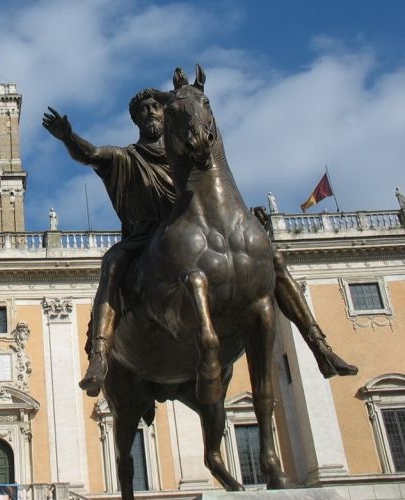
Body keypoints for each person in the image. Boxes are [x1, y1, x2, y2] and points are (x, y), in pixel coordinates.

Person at [43, 89, 356, 397]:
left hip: (195, 234)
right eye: (143, 111)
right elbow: (91, 155)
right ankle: (99, 356)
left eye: (156, 108)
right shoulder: (127, 157)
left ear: (167, 115)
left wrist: (245, 217)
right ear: (136, 121)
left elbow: (218, 197)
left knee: (272, 258)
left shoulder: (188, 155)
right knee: (112, 263)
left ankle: (319, 345)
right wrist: (68, 137)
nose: (150, 113)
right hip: (147, 238)